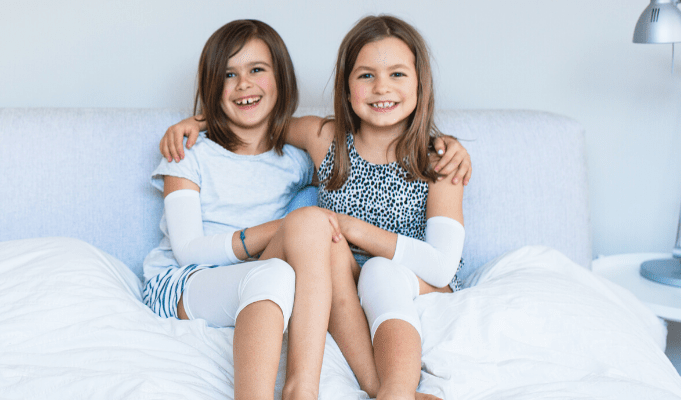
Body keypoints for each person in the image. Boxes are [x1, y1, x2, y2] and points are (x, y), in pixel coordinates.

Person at [143, 19, 470, 400]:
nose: (382, 87)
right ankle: (307, 389)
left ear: (420, 83)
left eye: (397, 73)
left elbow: (442, 265)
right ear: (346, 88)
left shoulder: (439, 160)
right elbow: (253, 124)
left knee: (335, 257)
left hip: (400, 275)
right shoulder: (322, 142)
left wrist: (348, 228)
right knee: (306, 244)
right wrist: (198, 121)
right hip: (230, 276)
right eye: (366, 75)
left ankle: (386, 391)